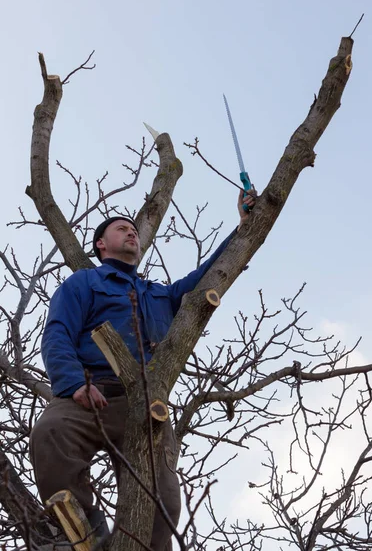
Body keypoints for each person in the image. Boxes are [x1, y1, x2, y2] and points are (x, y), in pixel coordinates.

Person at [30, 190, 256, 550]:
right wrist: (74, 384)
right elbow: (57, 332)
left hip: (144, 403)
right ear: (101, 244)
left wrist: (244, 226)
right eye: (122, 229)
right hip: (88, 391)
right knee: (50, 434)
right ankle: (89, 535)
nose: (132, 233)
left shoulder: (159, 295)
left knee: (163, 504)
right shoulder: (83, 283)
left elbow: (211, 272)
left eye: (135, 229)